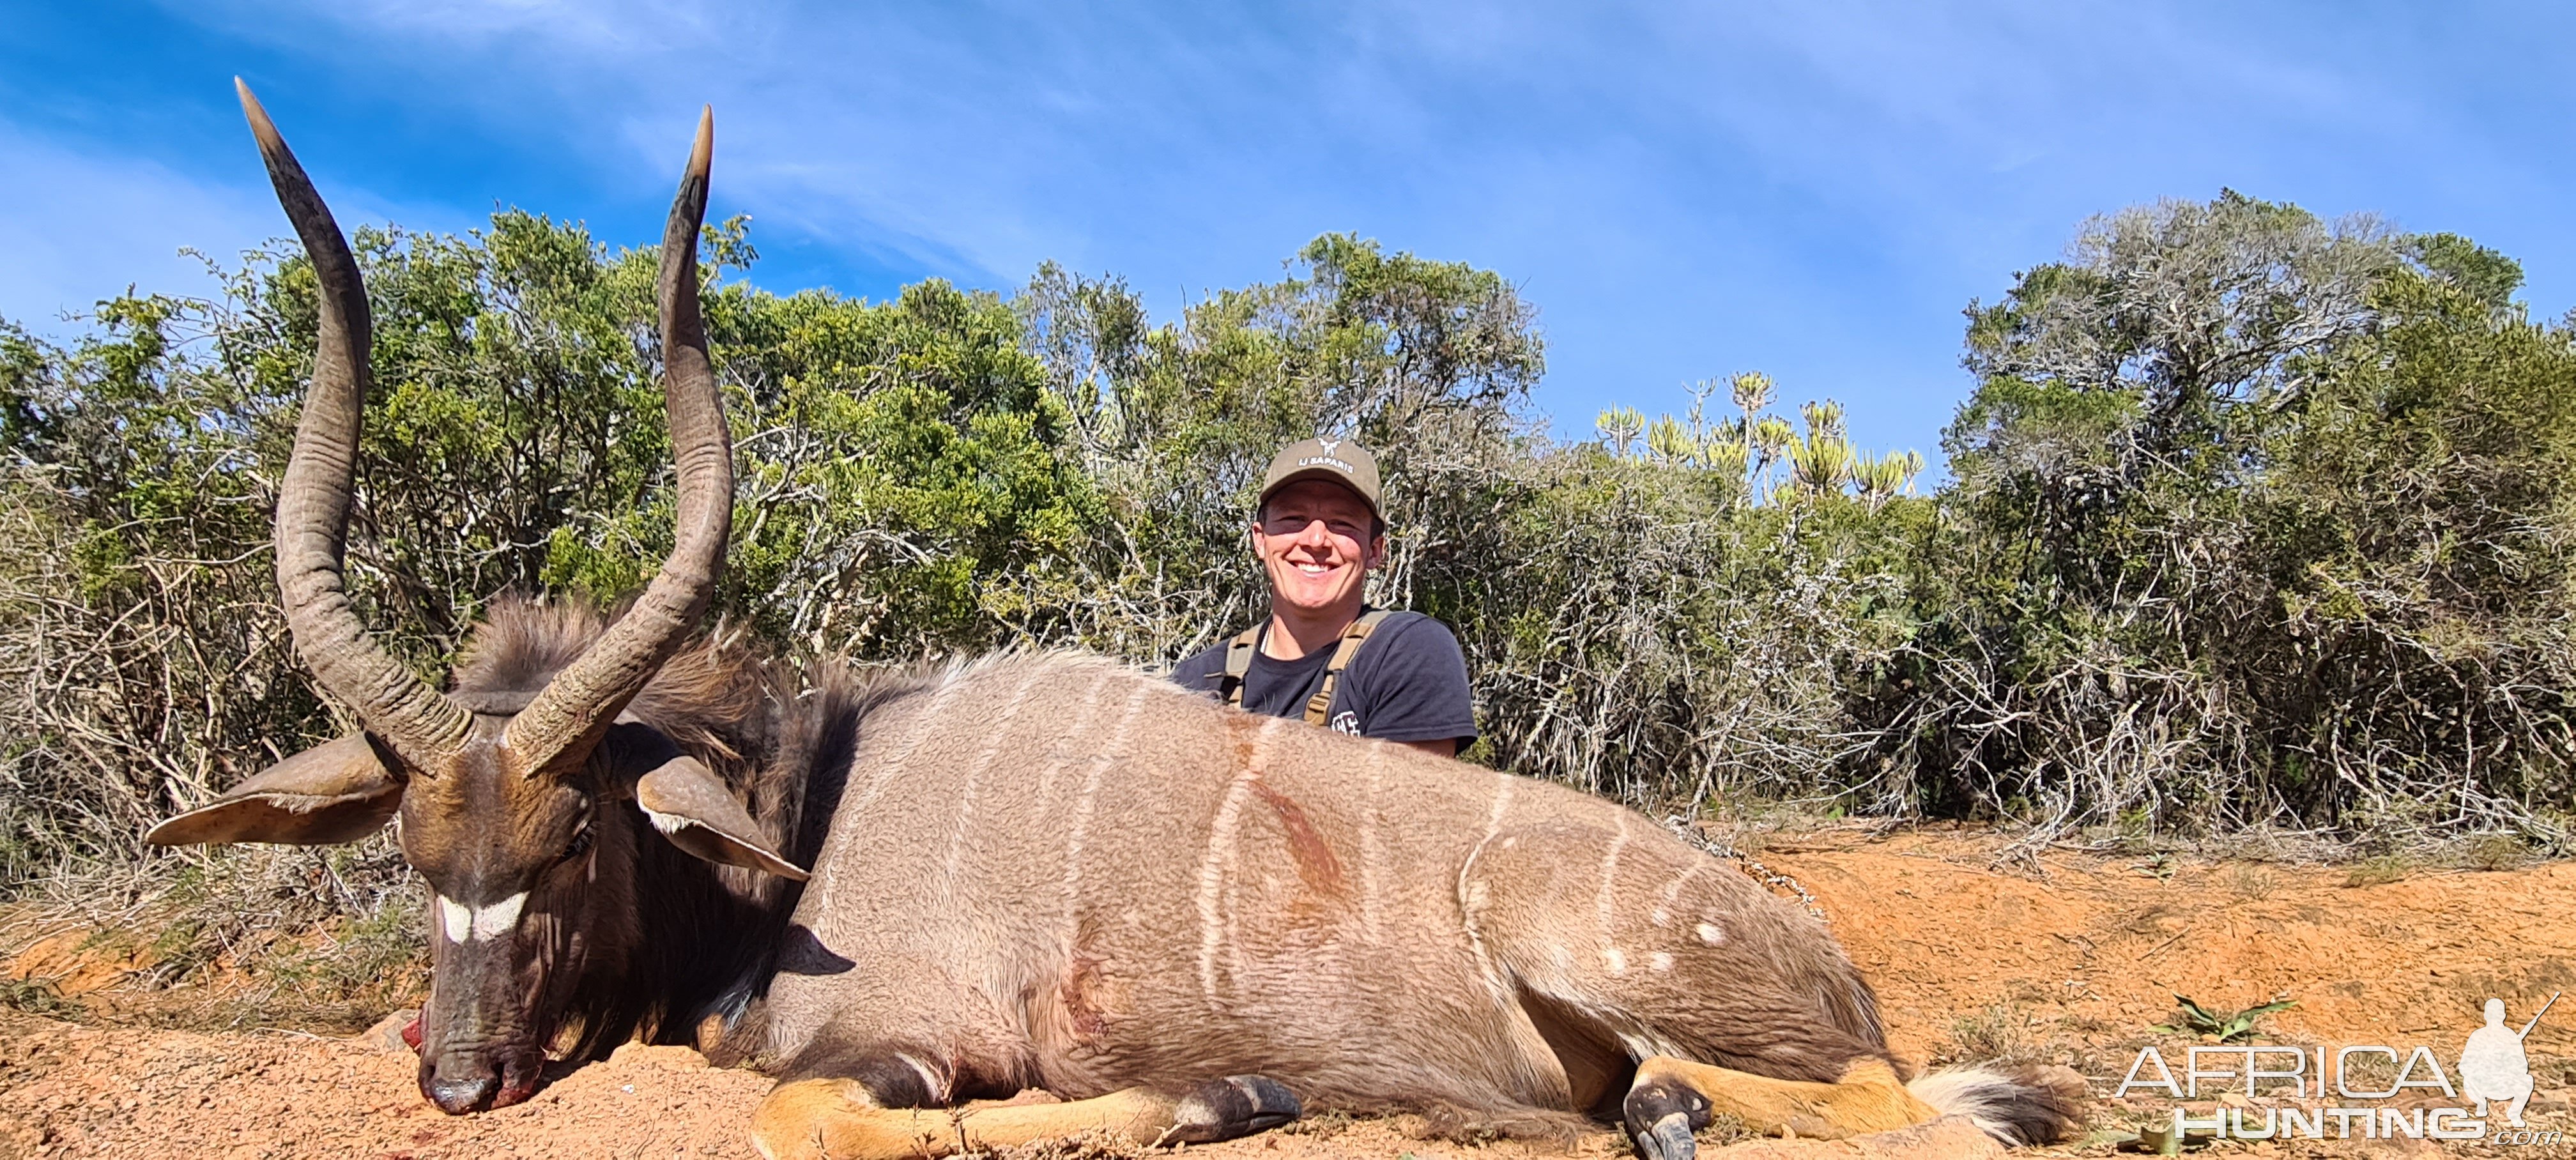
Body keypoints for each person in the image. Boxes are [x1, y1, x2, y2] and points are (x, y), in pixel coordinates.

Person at [1172, 437, 1476, 757]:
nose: (1316, 540)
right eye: (1294, 518)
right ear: (1260, 541)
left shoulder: (1409, 652)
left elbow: (1408, 803)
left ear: (1375, 552)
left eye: (1341, 523)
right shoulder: (1196, 683)